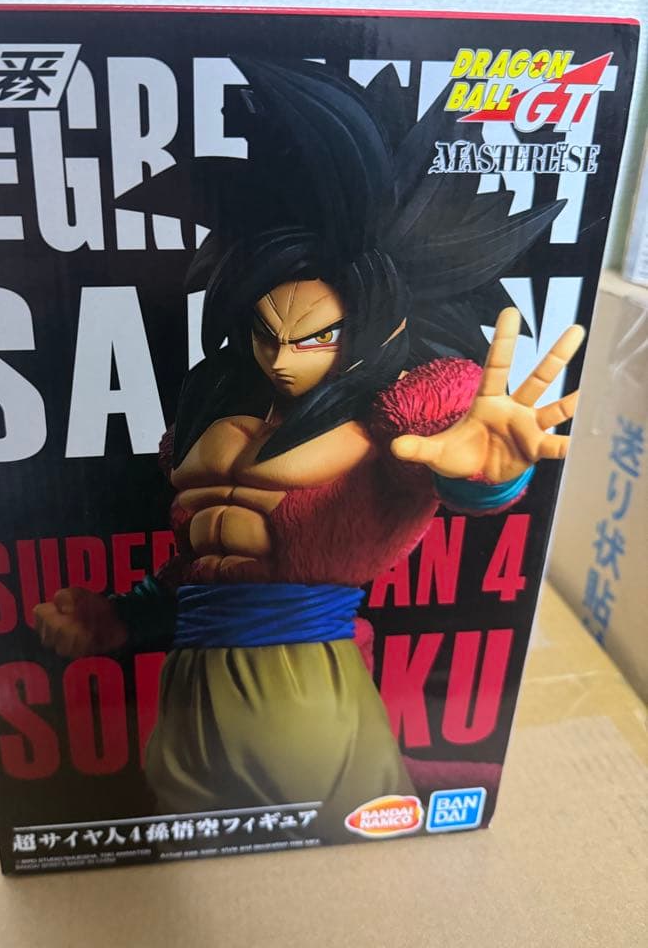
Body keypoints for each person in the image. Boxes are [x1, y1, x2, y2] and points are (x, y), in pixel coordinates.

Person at [35, 59, 582, 836]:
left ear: (384, 321)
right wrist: (118, 618)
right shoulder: (211, 403)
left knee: (323, 866)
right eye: (267, 333)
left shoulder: (405, 404)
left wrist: (492, 477)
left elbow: (457, 471)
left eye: (317, 337)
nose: (283, 360)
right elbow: (204, 565)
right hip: (190, 692)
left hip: (305, 693)